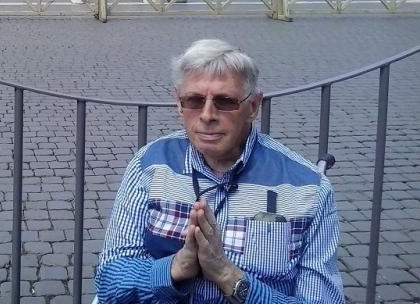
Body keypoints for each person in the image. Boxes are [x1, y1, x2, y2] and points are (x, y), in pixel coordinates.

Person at [96, 39, 344, 303]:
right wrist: (176, 268)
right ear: (178, 103)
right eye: (193, 100)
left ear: (254, 106)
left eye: (225, 102)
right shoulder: (149, 166)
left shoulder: (307, 188)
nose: (207, 115)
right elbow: (110, 282)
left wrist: (228, 276)